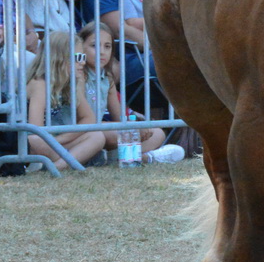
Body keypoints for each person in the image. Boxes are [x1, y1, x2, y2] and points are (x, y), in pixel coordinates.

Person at [76, 21, 184, 163]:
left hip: (102, 129)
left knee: (156, 133)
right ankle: (144, 158)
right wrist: (130, 130)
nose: (102, 52)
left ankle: (119, 158)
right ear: (80, 47)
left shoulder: (107, 78)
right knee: (107, 134)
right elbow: (84, 122)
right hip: (83, 132)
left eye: (107, 46)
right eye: (94, 46)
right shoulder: (78, 76)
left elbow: (119, 117)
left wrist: (135, 126)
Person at [22, 29, 108, 168]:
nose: (83, 63)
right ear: (60, 58)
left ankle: (57, 166)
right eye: (78, 57)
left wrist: (60, 140)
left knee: (96, 136)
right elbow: (36, 130)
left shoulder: (70, 82)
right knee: (36, 140)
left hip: (55, 142)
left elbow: (89, 119)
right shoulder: (39, 84)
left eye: (83, 57)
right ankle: (75, 159)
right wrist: (57, 142)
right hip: (30, 144)